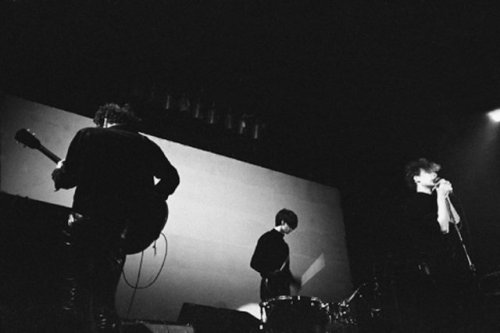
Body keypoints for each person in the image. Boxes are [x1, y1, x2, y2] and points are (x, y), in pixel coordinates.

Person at [52, 103, 180, 332]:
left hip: (85, 220)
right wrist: (148, 201)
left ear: (104, 119)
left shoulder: (89, 135)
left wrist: (59, 172)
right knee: (105, 294)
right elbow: (172, 178)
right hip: (120, 228)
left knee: (75, 288)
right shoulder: (145, 144)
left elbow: (69, 178)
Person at [402, 158, 472, 332]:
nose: (435, 175)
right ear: (416, 178)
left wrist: (445, 196)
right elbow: (443, 228)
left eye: (435, 172)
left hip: (452, 263)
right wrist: (440, 195)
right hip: (435, 268)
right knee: (447, 317)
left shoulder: (437, 200)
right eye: (429, 172)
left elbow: (455, 221)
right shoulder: (415, 203)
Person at [250, 208, 301, 302]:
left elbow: (285, 270)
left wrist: (293, 281)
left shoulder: (285, 246)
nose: (291, 229)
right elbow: (254, 263)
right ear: (282, 222)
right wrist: (271, 273)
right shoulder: (266, 238)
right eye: (290, 226)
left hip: (283, 290)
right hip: (269, 287)